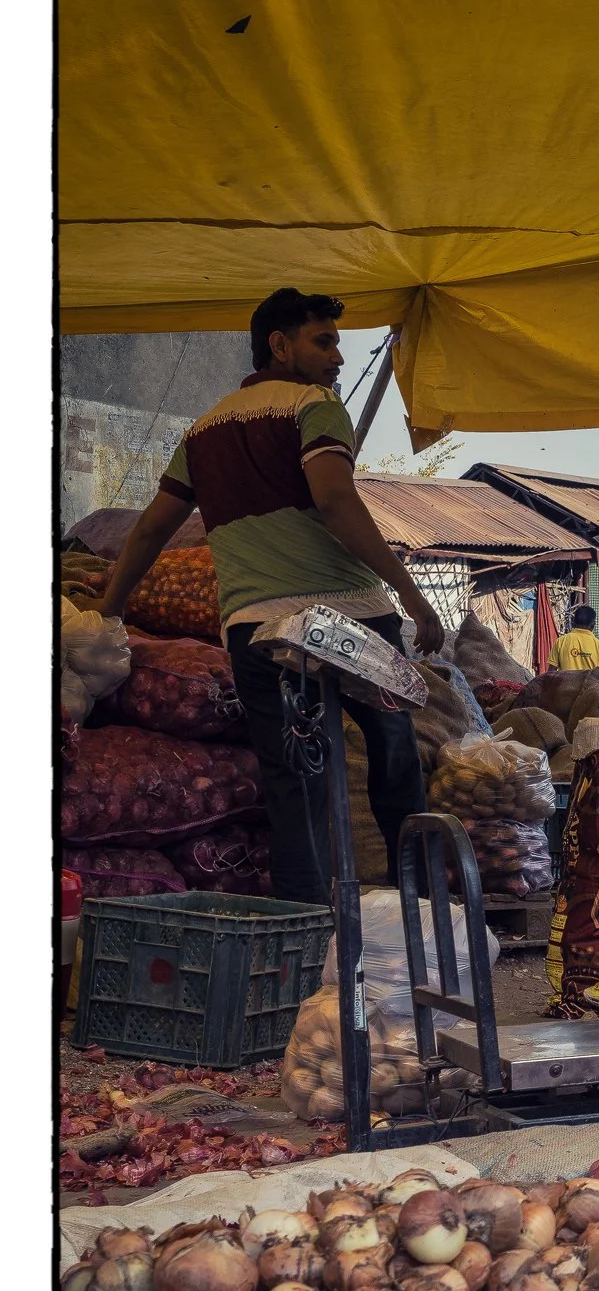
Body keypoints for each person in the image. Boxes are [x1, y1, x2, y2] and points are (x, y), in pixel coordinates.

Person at [99, 287, 444, 904]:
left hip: (256, 630)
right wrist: (411, 594)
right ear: (279, 346)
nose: (338, 358)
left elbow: (152, 526)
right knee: (395, 763)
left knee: (291, 783)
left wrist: (110, 608)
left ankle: (304, 933)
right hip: (350, 617)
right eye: (325, 341)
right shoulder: (314, 405)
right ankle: (417, 913)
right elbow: (336, 500)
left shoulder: (202, 431)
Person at [550, 604, 599, 671]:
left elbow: (550, 673)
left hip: (566, 681)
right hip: (590, 682)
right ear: (593, 624)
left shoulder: (561, 642)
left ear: (573, 622)